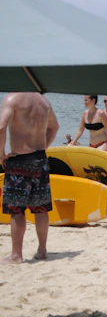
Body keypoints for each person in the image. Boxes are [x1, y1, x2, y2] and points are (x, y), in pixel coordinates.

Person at [0, 92, 59, 264]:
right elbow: (54, 127)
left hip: (19, 161)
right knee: (40, 209)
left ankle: (16, 255)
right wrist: (42, 148)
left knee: (16, 211)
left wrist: (1, 155)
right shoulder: (43, 100)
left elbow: (1, 127)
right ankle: (42, 250)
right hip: (40, 160)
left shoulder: (12, 98)